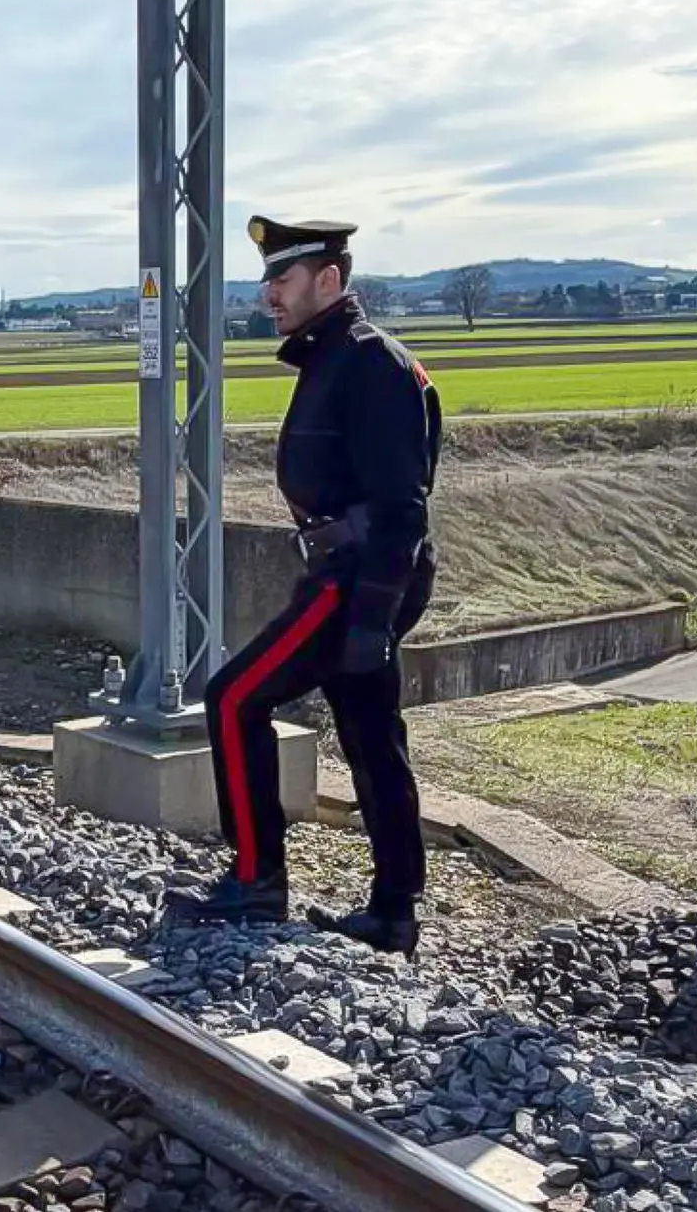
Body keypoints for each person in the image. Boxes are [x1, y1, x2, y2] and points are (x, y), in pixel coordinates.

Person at [163, 215, 441, 955]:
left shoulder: (370, 363)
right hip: (346, 573)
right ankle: (392, 910)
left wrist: (370, 619)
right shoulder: (335, 358)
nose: (267, 297)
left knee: (231, 697)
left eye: (281, 281)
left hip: (357, 578)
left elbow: (402, 505)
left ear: (329, 279)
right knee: (370, 735)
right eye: (266, 281)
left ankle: (257, 881)